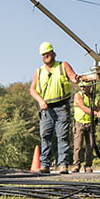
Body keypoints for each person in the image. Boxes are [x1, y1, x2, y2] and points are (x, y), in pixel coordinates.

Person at [29, 41, 80, 174]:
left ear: (53, 53)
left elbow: (73, 77)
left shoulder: (63, 66)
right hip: (46, 109)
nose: (46, 56)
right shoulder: (39, 72)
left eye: (48, 53)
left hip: (61, 106)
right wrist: (40, 101)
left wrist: (79, 79)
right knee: (45, 136)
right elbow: (32, 90)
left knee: (62, 136)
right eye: (43, 54)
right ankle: (45, 165)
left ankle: (63, 165)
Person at [72, 81, 100, 173]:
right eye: (81, 86)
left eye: (84, 86)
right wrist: (96, 113)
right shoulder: (78, 96)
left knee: (90, 145)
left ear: (90, 86)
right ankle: (76, 165)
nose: (82, 88)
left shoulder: (94, 97)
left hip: (91, 123)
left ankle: (88, 165)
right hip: (80, 123)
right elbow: (83, 107)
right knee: (78, 146)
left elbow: (97, 108)